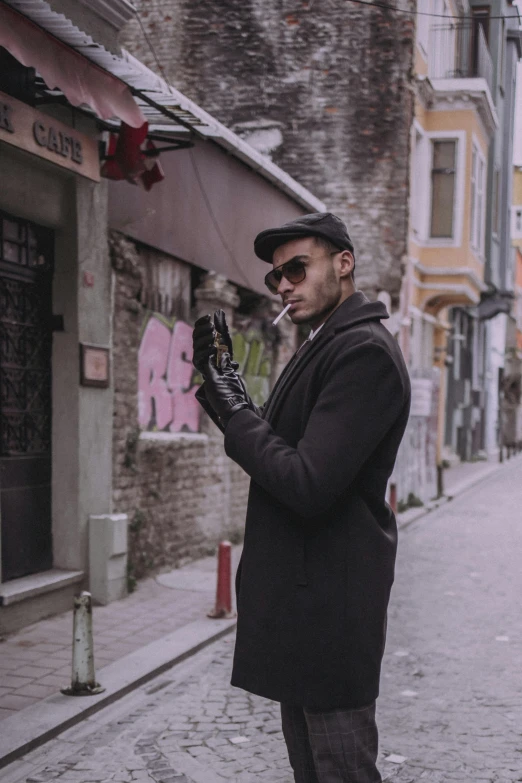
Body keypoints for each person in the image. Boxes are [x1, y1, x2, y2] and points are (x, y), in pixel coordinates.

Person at [192, 212, 411, 783]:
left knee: (340, 773)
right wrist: (227, 396)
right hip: (306, 605)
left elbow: (308, 483)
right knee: (311, 772)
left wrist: (235, 410)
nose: (284, 284)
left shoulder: (362, 352)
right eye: (275, 277)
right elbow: (284, 451)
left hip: (332, 612)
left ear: (344, 263)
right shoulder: (323, 343)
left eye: (297, 267)